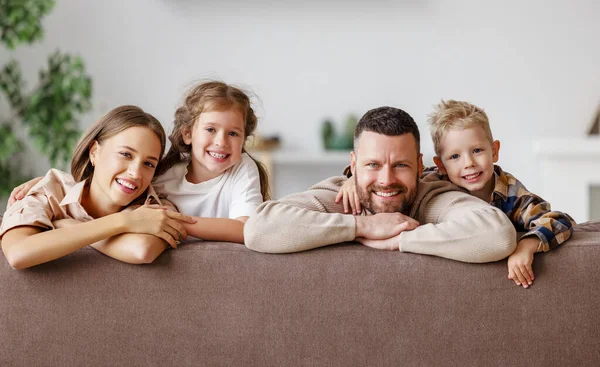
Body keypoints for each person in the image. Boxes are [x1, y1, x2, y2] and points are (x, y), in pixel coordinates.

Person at [337, 100, 575, 287]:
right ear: (440, 165)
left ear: (495, 151)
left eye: (477, 150)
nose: (468, 163)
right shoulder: (432, 179)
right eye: (455, 157)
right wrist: (351, 179)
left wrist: (526, 246)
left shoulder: (512, 194)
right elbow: (392, 177)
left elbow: (559, 220)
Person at [244, 106, 517, 263]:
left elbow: (498, 235)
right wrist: (363, 227)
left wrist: (399, 240)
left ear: (421, 166)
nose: (386, 180)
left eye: (401, 165)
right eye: (373, 165)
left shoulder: (432, 196)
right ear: (353, 165)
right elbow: (258, 228)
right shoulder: (342, 195)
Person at [9, 81, 269, 244]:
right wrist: (44, 185)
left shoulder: (242, 169)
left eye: (233, 133)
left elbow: (245, 229)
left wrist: (173, 220)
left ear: (245, 139)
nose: (221, 142)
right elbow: (114, 184)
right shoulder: (165, 174)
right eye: (211, 130)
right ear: (187, 133)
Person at [0, 105, 195, 270]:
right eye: (126, 154)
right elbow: (18, 253)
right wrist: (125, 221)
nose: (136, 173)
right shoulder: (50, 191)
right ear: (94, 152)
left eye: (149, 164)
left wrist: (66, 225)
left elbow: (142, 250)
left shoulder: (157, 208)